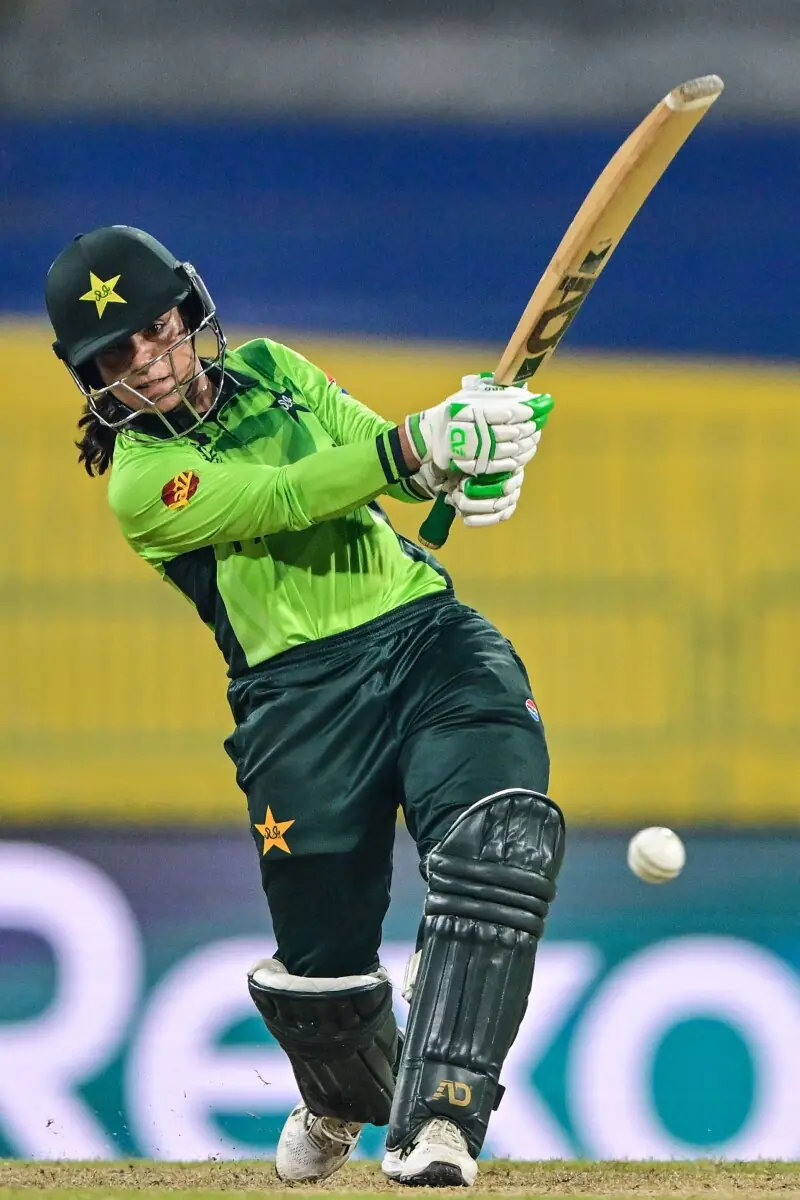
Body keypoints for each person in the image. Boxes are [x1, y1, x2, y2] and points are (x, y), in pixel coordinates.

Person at [45, 225, 565, 1187]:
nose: (148, 363)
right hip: (298, 705)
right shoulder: (142, 484)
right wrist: (421, 443)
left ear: (187, 313)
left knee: (499, 840)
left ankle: (440, 1123)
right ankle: (334, 1098)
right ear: (89, 376)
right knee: (324, 984)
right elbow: (287, 495)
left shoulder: (276, 368)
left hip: (423, 639)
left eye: (156, 331)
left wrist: (469, 457)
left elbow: (375, 458)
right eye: (116, 355)